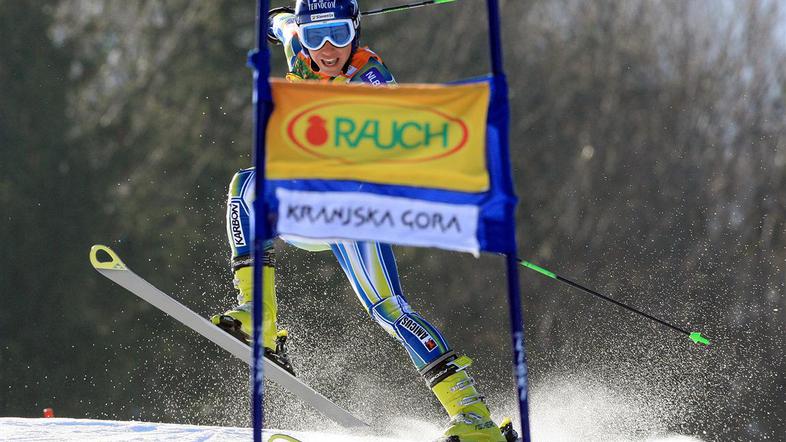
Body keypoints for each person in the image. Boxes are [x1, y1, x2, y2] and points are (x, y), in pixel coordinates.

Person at [212, 1, 511, 441]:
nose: (327, 48)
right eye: (316, 37)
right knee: (245, 188)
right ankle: (260, 317)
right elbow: (281, 23)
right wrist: (275, 21)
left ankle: (473, 417)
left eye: (337, 35)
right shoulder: (302, 46)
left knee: (390, 311)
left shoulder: (372, 81)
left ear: (355, 32)